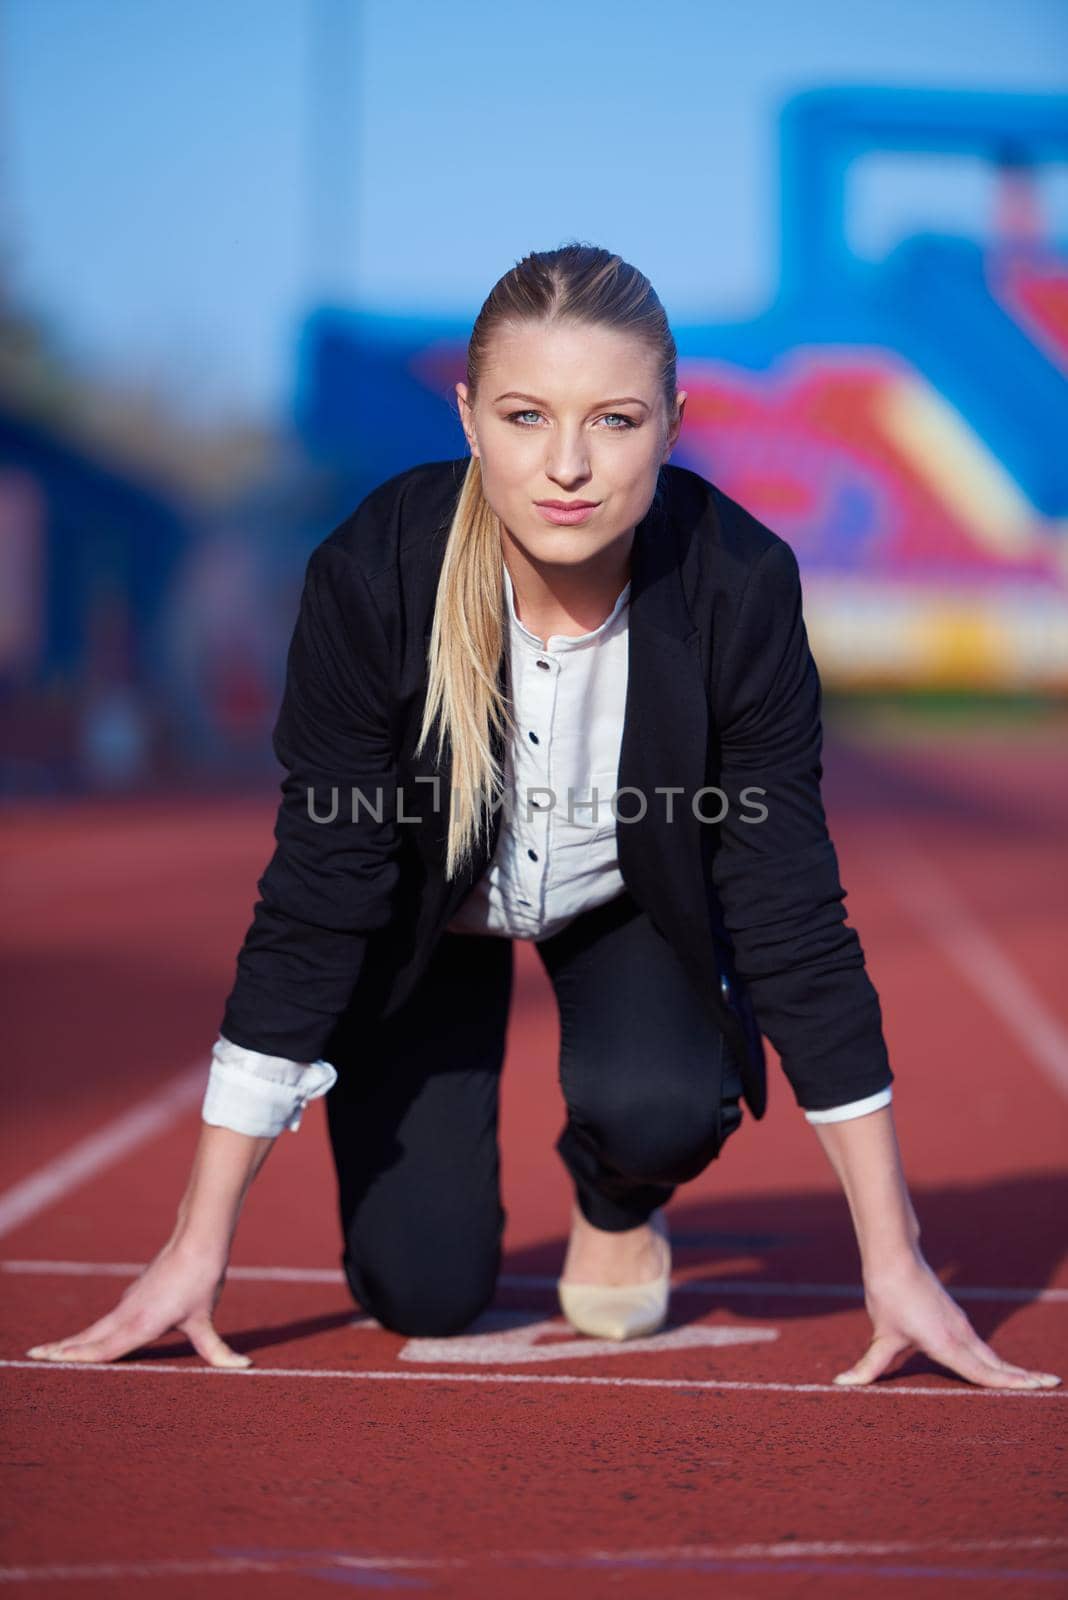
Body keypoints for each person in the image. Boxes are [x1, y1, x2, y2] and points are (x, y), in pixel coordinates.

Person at [27, 244, 1059, 1390]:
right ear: (469, 419)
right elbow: (317, 900)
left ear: (673, 422)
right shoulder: (374, 577)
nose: (567, 466)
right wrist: (196, 1241)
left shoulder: (739, 584)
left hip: (624, 893)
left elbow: (791, 911)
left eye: (614, 421)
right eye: (526, 415)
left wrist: (896, 1253)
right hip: (427, 913)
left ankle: (617, 1200)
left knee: (660, 1105)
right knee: (420, 1288)